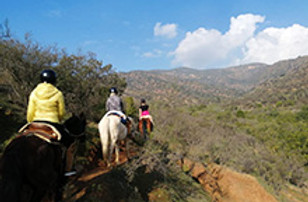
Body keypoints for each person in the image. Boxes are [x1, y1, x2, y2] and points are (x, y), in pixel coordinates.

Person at [27, 69, 76, 175]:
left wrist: (31, 121)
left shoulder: (34, 93)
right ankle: (68, 169)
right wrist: (58, 120)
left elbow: (30, 111)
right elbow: (61, 112)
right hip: (52, 122)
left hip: (35, 122)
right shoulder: (58, 93)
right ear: (54, 80)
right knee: (69, 143)